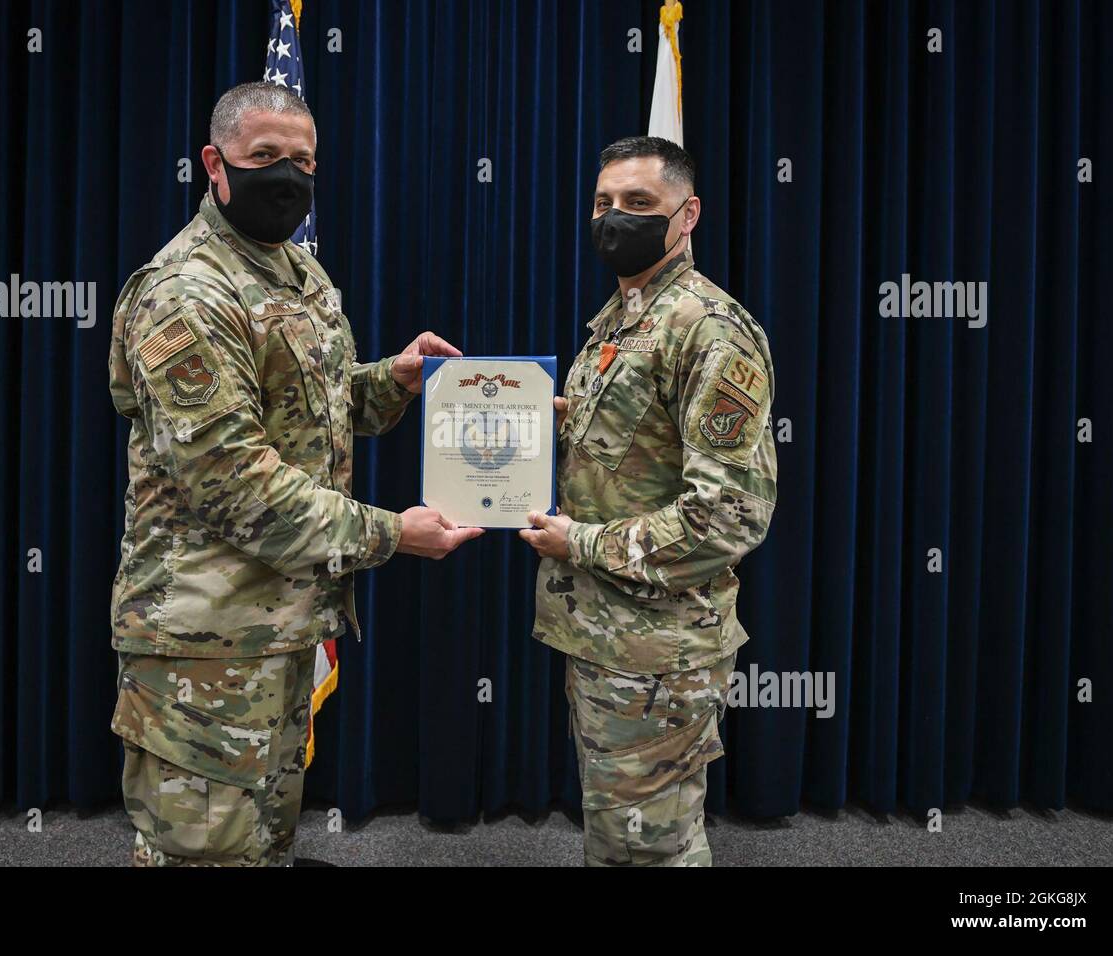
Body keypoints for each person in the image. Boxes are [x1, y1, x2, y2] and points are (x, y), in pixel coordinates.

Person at [106, 82, 480, 867]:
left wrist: (397, 381)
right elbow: (234, 484)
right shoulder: (186, 293)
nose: (288, 177)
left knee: (265, 843)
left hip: (280, 627)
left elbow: (318, 409)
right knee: (202, 854)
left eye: (303, 161)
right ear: (215, 164)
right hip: (204, 644)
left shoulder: (296, 275)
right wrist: (391, 534)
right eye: (265, 158)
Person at [520, 135, 777, 866]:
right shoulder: (627, 316)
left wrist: (582, 543)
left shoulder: (708, 329)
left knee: (651, 848)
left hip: (657, 649)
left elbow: (729, 516)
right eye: (604, 203)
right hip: (608, 635)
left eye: (638, 204)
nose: (614, 218)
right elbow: (643, 446)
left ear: (687, 214)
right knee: (619, 833)